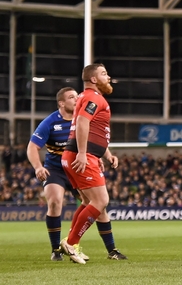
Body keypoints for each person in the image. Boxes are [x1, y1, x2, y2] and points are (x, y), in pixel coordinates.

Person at [28, 87, 126, 261]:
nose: (76, 99)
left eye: (77, 96)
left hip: (78, 166)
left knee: (98, 205)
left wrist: (106, 155)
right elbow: (32, 147)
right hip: (56, 169)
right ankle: (57, 250)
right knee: (55, 201)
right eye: (71, 97)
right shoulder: (50, 122)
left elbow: (93, 138)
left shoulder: (81, 117)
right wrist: (38, 167)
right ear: (61, 103)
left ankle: (111, 250)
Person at [60, 64, 127, 264]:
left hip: (78, 154)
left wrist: (105, 154)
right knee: (100, 201)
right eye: (104, 74)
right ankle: (71, 243)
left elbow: (95, 131)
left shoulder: (85, 96)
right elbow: (83, 122)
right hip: (81, 155)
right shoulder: (93, 98)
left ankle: (72, 243)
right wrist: (83, 153)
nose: (109, 77)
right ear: (94, 79)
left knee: (88, 202)